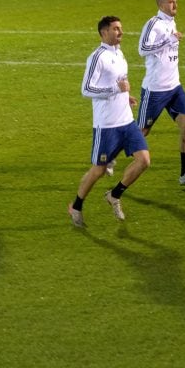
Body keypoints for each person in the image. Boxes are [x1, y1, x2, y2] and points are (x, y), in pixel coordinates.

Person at [69, 16, 150, 228]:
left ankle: (114, 195)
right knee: (99, 170)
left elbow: (118, 83)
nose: (121, 32)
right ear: (104, 32)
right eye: (116, 29)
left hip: (126, 121)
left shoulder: (120, 54)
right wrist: (116, 90)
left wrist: (126, 96)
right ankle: (76, 205)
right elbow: (86, 89)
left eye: (121, 28)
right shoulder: (97, 57)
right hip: (106, 125)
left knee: (144, 161)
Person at [137, 0, 185, 186]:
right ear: (161, 5)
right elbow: (143, 49)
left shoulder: (170, 22)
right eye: (171, 2)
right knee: (141, 131)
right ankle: (109, 157)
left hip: (174, 86)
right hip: (155, 89)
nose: (175, 5)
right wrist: (169, 40)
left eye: (176, 1)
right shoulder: (153, 24)